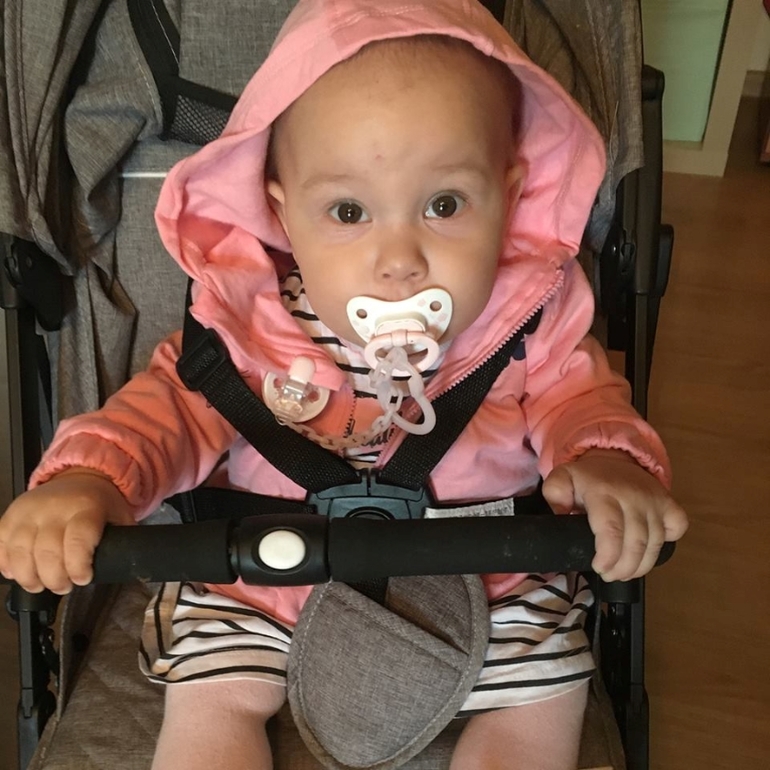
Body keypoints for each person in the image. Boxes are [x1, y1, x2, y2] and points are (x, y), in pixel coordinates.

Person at [0, 1, 688, 768]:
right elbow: (166, 412)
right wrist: (93, 479)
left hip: (487, 575)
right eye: (349, 211)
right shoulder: (250, 325)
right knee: (212, 692)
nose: (399, 260)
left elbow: (580, 397)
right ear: (283, 215)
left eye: (444, 205)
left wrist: (604, 460)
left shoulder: (527, 319)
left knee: (543, 689)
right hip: (266, 580)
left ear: (510, 191)